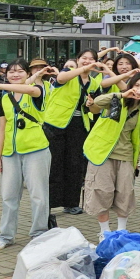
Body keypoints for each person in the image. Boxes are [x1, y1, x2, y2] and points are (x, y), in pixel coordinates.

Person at [0, 59, 52, 251]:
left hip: (36, 149)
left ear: (27, 74)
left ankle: (39, 233)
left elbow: (32, 90)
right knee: (8, 195)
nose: (15, 75)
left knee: (38, 195)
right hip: (10, 152)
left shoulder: (37, 90)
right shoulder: (4, 98)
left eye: (20, 71)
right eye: (11, 72)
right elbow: (1, 128)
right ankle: (5, 236)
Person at [83, 72, 140, 240]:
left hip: (126, 154)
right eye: (137, 85)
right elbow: (97, 103)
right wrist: (123, 94)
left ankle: (122, 231)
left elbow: (138, 134)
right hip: (102, 152)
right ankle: (105, 232)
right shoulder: (118, 100)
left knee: (125, 192)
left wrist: (137, 158)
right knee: (102, 191)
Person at [44, 49, 106, 215]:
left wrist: (91, 104)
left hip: (79, 125)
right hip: (56, 124)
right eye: (84, 58)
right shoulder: (68, 72)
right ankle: (48, 204)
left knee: (75, 165)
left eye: (91, 59)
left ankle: (71, 203)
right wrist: (84, 69)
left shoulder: (94, 84)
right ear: (78, 60)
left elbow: (95, 110)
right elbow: (60, 78)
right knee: (54, 164)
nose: (87, 61)